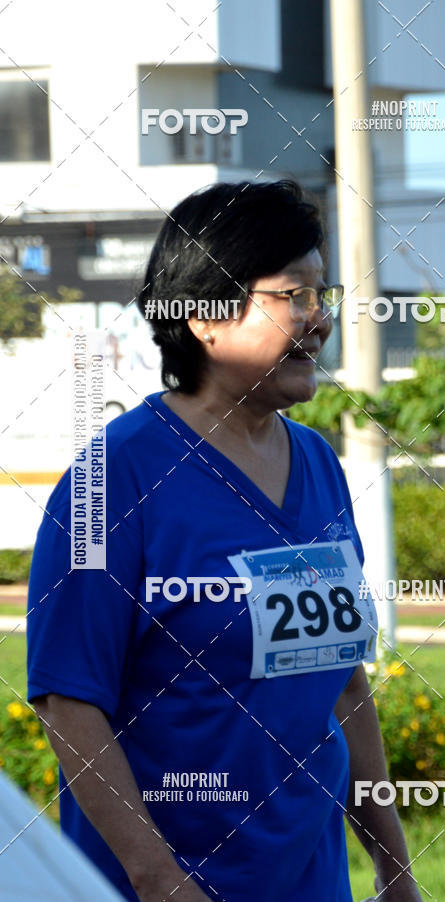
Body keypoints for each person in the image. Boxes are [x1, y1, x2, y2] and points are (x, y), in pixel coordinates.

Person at [27, 181, 423, 902]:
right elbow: (67, 700)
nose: (321, 319)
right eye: (293, 296)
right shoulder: (111, 479)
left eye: (322, 294)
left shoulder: (320, 467)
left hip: (309, 881)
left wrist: (393, 867)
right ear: (205, 318)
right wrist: (158, 880)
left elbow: (343, 682)